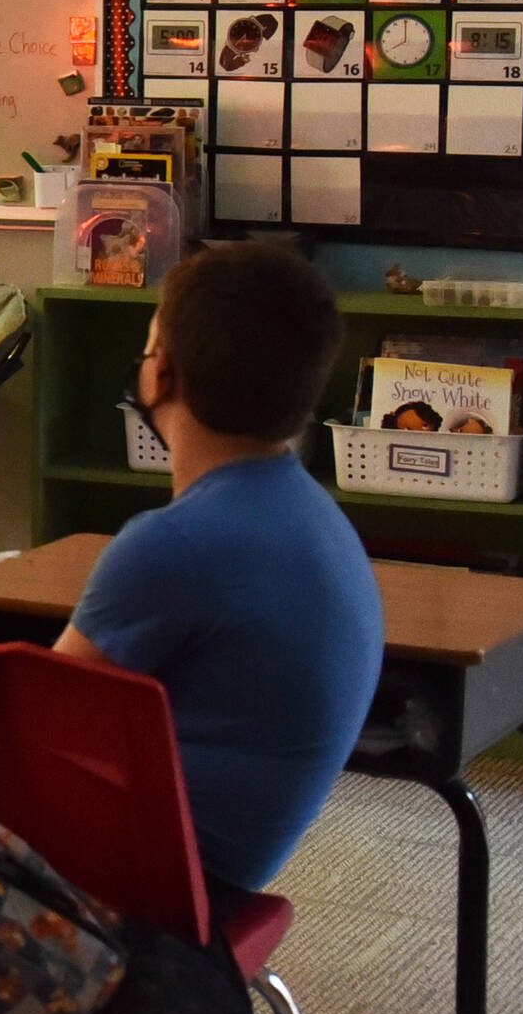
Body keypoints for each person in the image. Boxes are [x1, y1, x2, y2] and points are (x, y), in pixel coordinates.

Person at [53, 242, 384, 895]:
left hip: (134, 894)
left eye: (150, 347)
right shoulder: (314, 515)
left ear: (163, 374)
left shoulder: (174, 545)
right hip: (219, 878)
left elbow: (30, 729)